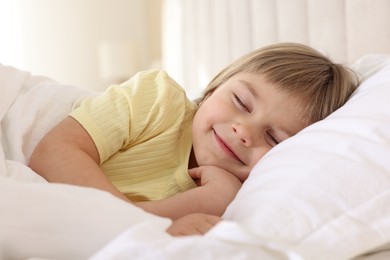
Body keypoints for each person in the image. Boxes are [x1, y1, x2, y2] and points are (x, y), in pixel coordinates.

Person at [28, 42, 358, 236]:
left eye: (273, 138)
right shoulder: (158, 100)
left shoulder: (243, 202)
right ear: (214, 88)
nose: (243, 131)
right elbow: (53, 151)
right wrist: (136, 221)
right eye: (240, 102)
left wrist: (214, 200)